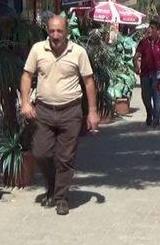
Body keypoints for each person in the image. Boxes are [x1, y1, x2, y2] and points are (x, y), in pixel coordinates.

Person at [21, 15, 100, 215]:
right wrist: (25, 102)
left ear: (67, 32)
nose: (55, 35)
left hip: (71, 111)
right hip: (44, 110)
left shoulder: (78, 52)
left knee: (65, 158)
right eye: (52, 31)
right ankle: (53, 185)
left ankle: (61, 198)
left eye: (60, 31)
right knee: (40, 152)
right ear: (48, 31)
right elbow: (27, 75)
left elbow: (89, 82)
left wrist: (92, 111)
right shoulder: (38, 49)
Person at [134, 18, 160, 129]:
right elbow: (136, 56)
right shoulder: (143, 42)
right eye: (149, 27)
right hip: (145, 74)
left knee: (157, 97)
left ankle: (156, 120)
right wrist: (136, 66)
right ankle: (149, 112)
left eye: (152, 28)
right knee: (145, 97)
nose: (149, 30)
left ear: (158, 31)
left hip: (157, 74)